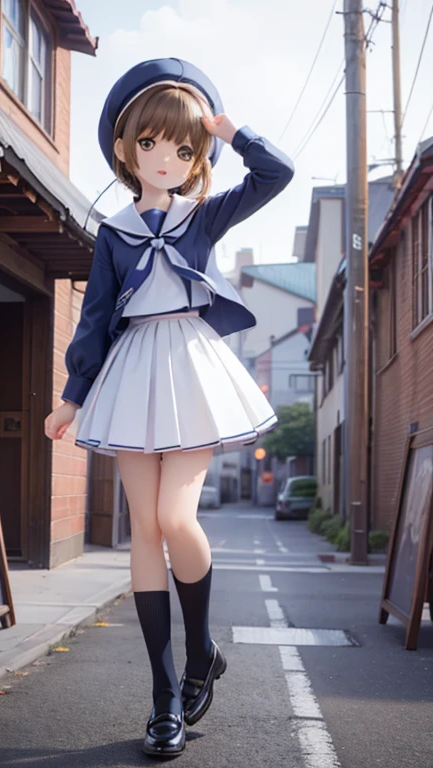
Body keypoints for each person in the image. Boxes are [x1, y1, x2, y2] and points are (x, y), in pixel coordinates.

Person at [45, 58, 294, 758]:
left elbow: (277, 174)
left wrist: (228, 129)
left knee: (173, 518)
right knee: (143, 534)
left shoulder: (204, 214)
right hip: (131, 374)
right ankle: (162, 700)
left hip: (189, 370)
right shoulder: (116, 232)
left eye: (184, 149)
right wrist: (71, 399)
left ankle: (201, 650)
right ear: (127, 149)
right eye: (152, 144)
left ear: (198, 157)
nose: (167, 159)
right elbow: (94, 319)